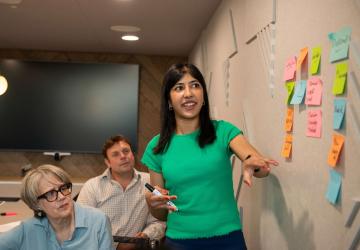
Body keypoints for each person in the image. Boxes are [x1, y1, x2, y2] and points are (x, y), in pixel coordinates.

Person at [141, 63, 279, 250]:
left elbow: (259, 167)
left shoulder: (223, 131)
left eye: (195, 85)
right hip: (179, 242)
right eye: (179, 88)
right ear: (169, 100)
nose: (188, 93)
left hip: (228, 240)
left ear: (203, 96)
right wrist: (153, 202)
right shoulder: (157, 146)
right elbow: (161, 214)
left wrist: (252, 163)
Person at [77, 135, 165, 249]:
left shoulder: (150, 183)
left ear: (132, 155)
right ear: (107, 162)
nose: (123, 156)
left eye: (126, 151)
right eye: (115, 154)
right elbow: (82, 227)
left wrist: (145, 236)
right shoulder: (92, 186)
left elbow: (159, 221)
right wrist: (115, 246)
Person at [0, 164, 114, 250]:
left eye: (63, 188)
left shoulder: (99, 221)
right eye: (50, 193)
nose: (61, 197)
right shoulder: (27, 229)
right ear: (36, 204)